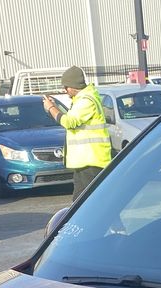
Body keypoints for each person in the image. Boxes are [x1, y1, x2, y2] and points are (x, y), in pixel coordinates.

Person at [42, 66, 112, 199]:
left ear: (73, 86)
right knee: (83, 201)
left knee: (89, 202)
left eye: (66, 87)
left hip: (91, 161)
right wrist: (55, 108)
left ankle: (108, 220)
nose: (65, 90)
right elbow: (71, 120)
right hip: (85, 161)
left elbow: (69, 122)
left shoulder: (86, 100)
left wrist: (51, 107)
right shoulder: (82, 100)